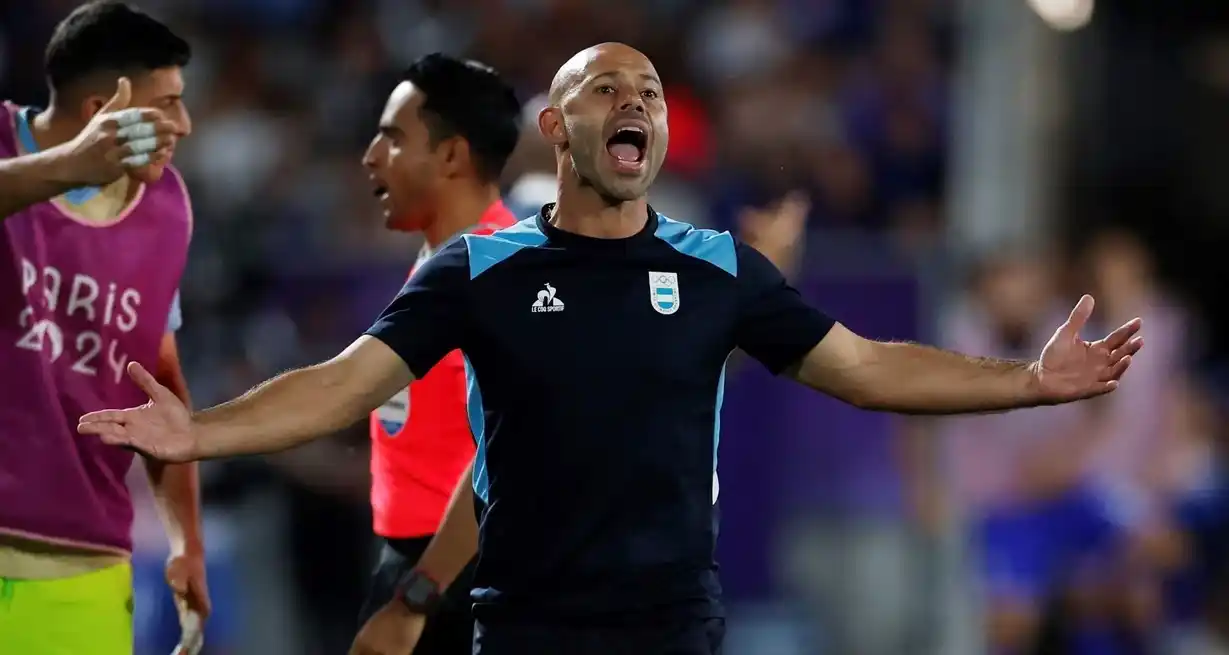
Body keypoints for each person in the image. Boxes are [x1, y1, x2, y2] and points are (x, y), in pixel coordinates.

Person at [78, 43, 1144, 655]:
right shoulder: (477, 273)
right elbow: (343, 384)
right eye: (603, 87)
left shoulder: (720, 270)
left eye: (647, 92)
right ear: (556, 127)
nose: (633, 99)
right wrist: (198, 431)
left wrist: (1025, 384)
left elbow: (864, 366)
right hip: (527, 629)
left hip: (672, 625)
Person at [0, 3, 210, 654]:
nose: (185, 124)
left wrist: (186, 544)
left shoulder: (167, 212)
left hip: (82, 567)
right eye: (166, 105)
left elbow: (161, 384)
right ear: (101, 111)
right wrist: (69, 167)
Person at [355, 53, 522, 655]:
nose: (371, 155)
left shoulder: (500, 271)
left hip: (457, 579)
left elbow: (513, 454)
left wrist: (415, 598)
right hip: (416, 565)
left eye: (393, 138)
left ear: (451, 155)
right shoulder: (445, 259)